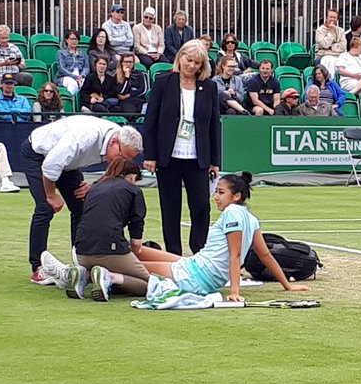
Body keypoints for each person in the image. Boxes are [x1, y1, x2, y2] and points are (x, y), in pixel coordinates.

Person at [134, 172, 311, 303]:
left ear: (236, 196)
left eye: (220, 192)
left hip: (195, 277)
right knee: (136, 251)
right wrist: (287, 285)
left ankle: (110, 276)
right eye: (216, 192)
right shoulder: (250, 217)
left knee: (130, 266)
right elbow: (265, 256)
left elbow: (235, 256)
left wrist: (234, 291)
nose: (215, 197)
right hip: (194, 267)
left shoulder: (232, 212)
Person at [20, 115, 143, 284]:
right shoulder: (85, 136)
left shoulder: (116, 139)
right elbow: (50, 165)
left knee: (83, 207)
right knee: (45, 208)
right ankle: (39, 267)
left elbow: (112, 171)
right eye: (122, 156)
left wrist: (93, 186)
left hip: (69, 164)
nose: (122, 162)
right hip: (39, 155)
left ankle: (81, 262)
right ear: (114, 141)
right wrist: (51, 195)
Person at [142, 39, 221, 256]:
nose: (192, 66)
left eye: (197, 62)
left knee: (201, 208)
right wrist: (150, 155)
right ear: (180, 58)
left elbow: (214, 125)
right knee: (170, 208)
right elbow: (151, 122)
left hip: (198, 157)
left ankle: (199, 251)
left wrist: (215, 161)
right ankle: (174, 255)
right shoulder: (163, 82)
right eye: (189, 60)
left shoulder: (210, 87)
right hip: (168, 157)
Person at [40, 159, 151, 300]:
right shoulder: (133, 190)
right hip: (110, 248)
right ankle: (109, 277)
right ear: (131, 176)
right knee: (149, 284)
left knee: (110, 271)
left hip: (81, 251)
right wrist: (133, 255)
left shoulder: (94, 188)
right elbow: (136, 236)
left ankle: (81, 275)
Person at [55, 29, 88, 96]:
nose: (74, 41)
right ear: (67, 40)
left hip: (80, 76)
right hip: (65, 77)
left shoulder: (83, 53)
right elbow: (61, 68)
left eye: (76, 39)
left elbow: (86, 67)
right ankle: (71, 102)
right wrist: (75, 77)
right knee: (73, 83)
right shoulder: (61, 53)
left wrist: (81, 76)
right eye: (71, 39)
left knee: (86, 84)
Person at [314, 9, 346, 73]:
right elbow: (325, 45)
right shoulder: (320, 31)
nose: (332, 19)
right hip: (322, 57)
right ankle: (330, 81)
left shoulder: (341, 31)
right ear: (326, 18)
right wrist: (330, 32)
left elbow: (343, 47)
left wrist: (330, 47)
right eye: (330, 17)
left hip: (338, 56)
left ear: (337, 20)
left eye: (334, 18)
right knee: (330, 60)